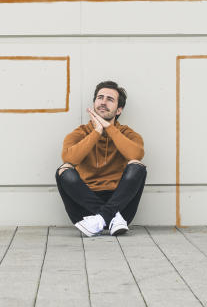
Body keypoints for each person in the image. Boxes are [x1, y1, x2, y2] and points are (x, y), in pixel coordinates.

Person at [56, 80, 147, 236]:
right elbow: (69, 158)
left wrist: (108, 128)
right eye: (100, 97)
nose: (103, 102)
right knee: (63, 170)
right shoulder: (79, 133)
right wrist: (96, 132)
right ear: (94, 103)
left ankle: (102, 218)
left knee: (137, 166)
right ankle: (111, 218)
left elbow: (135, 155)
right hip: (85, 210)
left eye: (110, 99)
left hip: (121, 205)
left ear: (118, 110)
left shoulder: (128, 134)